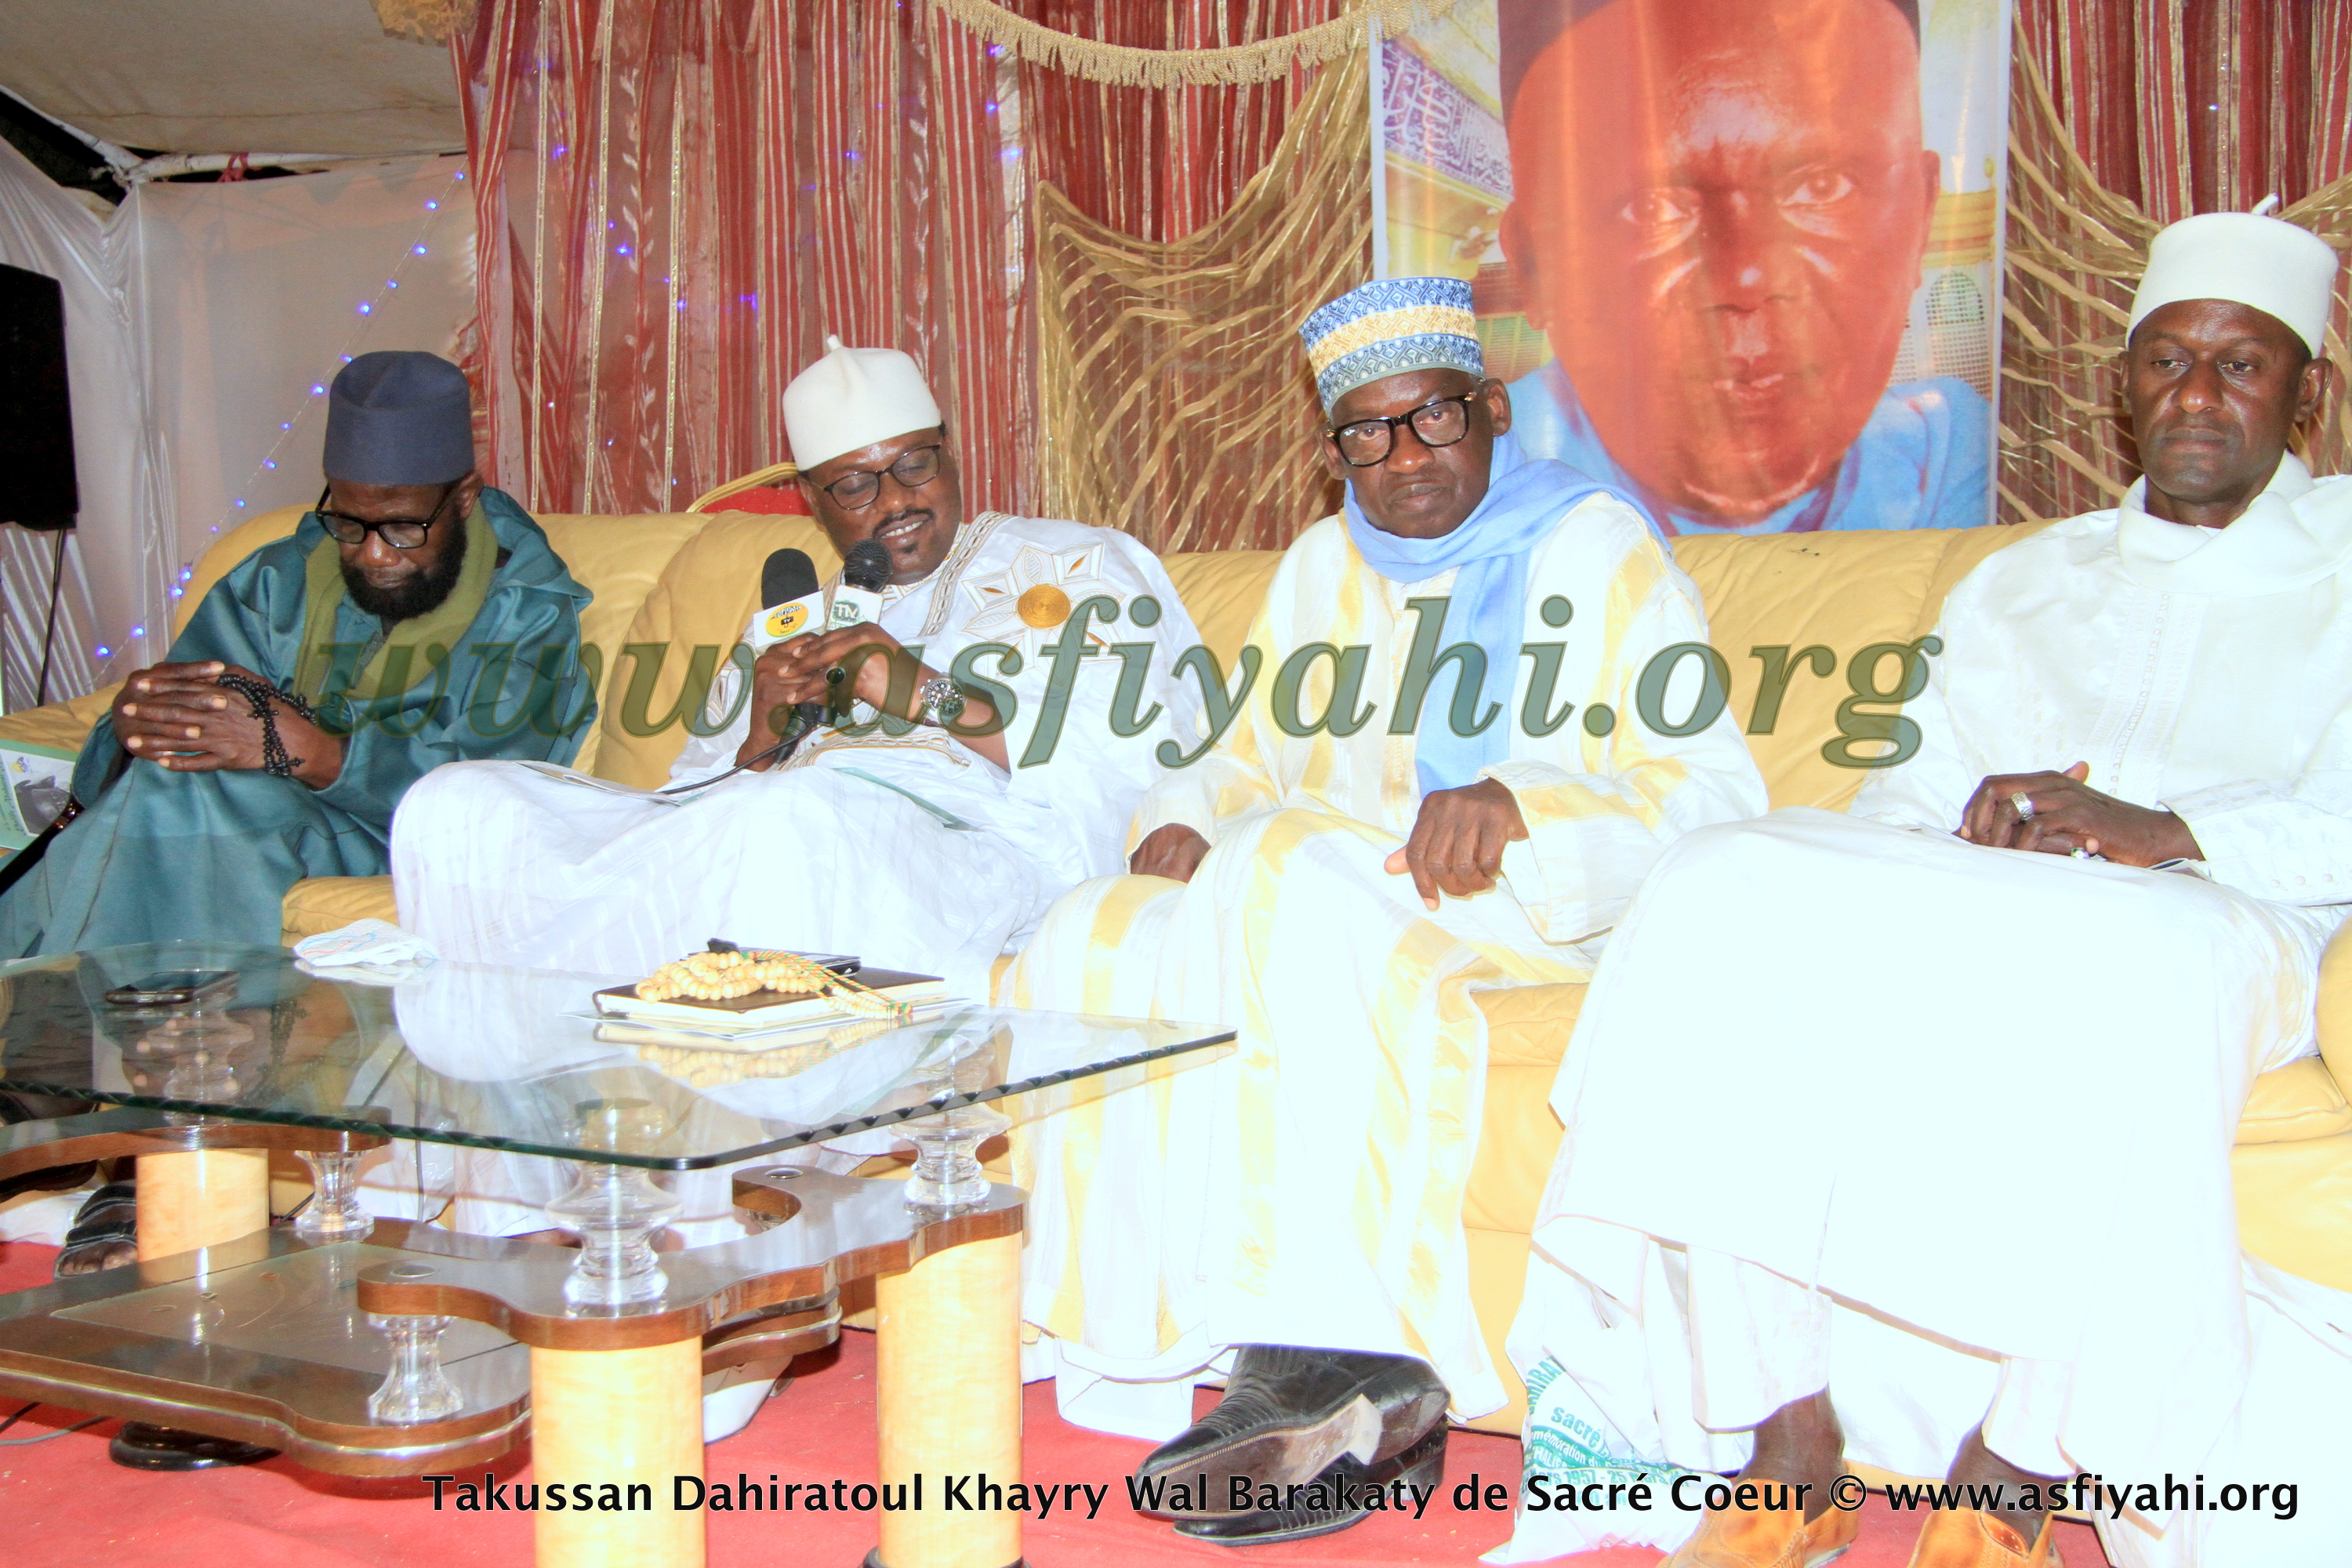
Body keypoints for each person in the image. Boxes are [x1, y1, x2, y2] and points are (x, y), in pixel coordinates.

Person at [1515, 212, 2352, 1568]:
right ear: (2123, 387)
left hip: (2220, 927)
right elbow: (1903, 793)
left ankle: (2010, 1473)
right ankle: (1789, 1440)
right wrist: (1969, 825)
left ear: (2304, 391)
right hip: (2005, 909)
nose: (2196, 398)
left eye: (2239, 366)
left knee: (2141, 960)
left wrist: (2165, 828)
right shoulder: (2024, 579)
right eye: (2166, 364)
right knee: (1724, 882)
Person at [1000, 278, 1768, 1544]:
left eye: (1433, 421)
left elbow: (1717, 799)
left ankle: (1337, 1356)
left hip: (1525, 916)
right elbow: (1237, 761)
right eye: (1367, 432)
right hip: (1325, 898)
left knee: (1290, 865)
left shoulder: (1595, 550)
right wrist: (1177, 819)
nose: (1403, 459)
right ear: (1334, 448)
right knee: (1097, 921)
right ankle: (1121, 1341)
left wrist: (1525, 809)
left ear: (1492, 411)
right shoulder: (1320, 568)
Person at [383, 339, 1202, 1436]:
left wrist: (924, 695)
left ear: (954, 455)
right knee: (460, 806)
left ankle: (728, 1276)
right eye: (855, 484)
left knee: (783, 823)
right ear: (814, 499)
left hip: (973, 844)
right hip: (776, 823)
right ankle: (520, 1210)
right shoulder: (798, 616)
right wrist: (759, 732)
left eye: (917, 465)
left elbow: (1142, 758)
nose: (896, 502)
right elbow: (688, 799)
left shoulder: (1085, 563)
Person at [20, 348, 593, 1471]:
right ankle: (161, 1174)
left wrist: (313, 746)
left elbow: (494, 788)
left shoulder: (528, 606)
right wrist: (137, 717)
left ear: (464, 500)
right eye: (351, 524)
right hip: (257, 820)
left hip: (398, 833)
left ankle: (149, 1169)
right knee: (180, 792)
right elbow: (170, 726)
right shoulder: (279, 579)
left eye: (403, 529)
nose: (373, 554)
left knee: (203, 810)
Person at [1498, 0, 1990, 535]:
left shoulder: (1957, 452)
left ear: (1920, 217)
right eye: (1651, 207)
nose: (1747, 279)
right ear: (1532, 267)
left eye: (1822, 187)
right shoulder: (1476, 477)